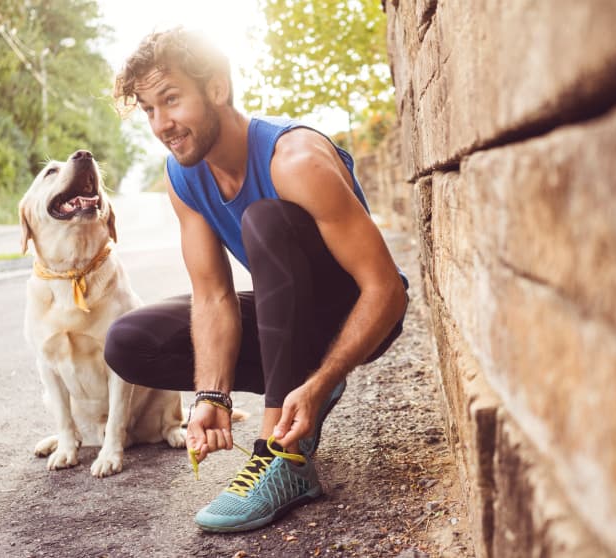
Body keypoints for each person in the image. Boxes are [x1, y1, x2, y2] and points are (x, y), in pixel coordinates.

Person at [105, 26, 409, 533]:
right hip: (287, 315)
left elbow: (388, 291)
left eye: (171, 100)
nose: (162, 123)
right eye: (149, 109)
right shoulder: (183, 175)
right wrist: (211, 396)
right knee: (129, 342)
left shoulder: (295, 159)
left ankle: (281, 457)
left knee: (264, 221)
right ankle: (293, 391)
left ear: (217, 88)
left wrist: (322, 380)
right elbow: (213, 297)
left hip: (356, 314)